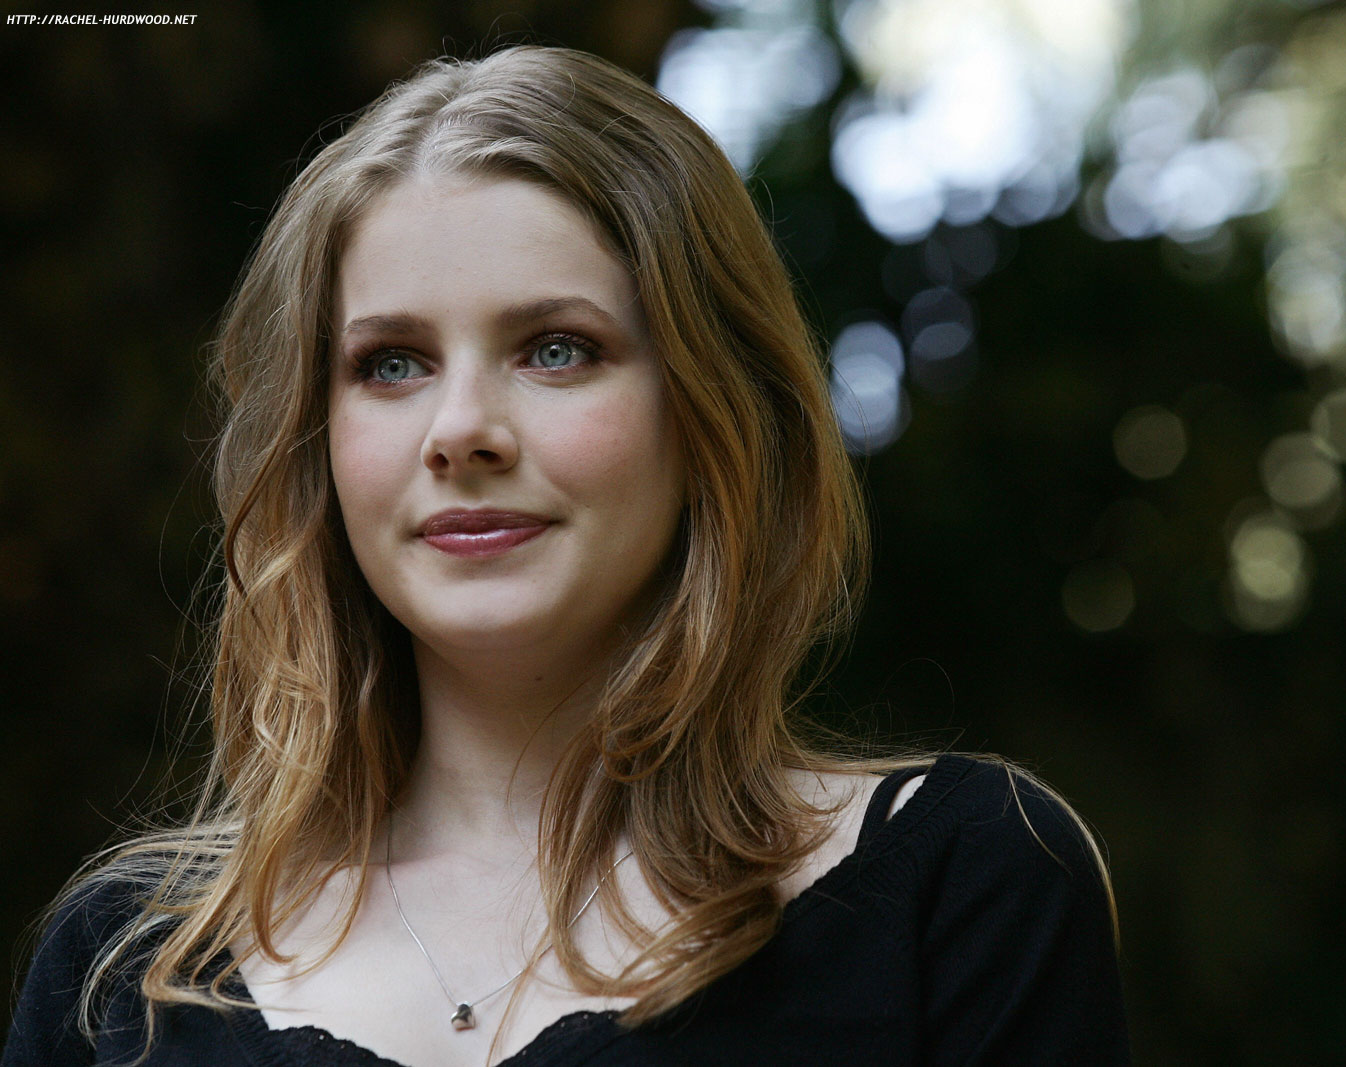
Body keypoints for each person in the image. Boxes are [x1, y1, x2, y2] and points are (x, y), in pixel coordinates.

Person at [3, 45, 1128, 1067]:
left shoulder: (960, 883)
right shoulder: (125, 971)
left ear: (713, 408)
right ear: (317, 437)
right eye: (391, 364)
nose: (461, 430)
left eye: (555, 349)